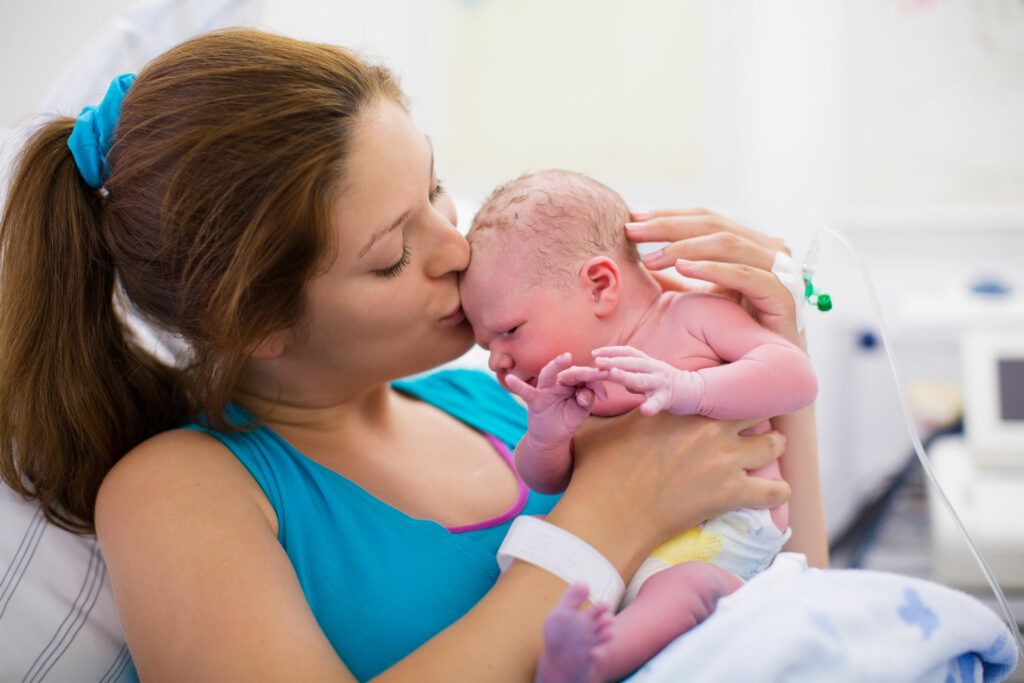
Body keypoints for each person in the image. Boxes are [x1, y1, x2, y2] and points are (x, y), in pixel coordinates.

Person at [0, 28, 820, 682]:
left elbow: (787, 608)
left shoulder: (514, 405)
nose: (457, 250)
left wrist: (771, 352)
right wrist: (606, 520)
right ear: (259, 321)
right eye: (393, 254)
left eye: (432, 188)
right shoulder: (177, 493)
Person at [459, 170, 821, 682]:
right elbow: (546, 480)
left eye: (510, 331)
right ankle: (577, 647)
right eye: (486, 347)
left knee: (686, 589)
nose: (498, 361)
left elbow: (796, 377)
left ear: (600, 286)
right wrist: (546, 436)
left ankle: (591, 666)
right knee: (531, 547)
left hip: (723, 546)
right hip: (626, 553)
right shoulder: (570, 386)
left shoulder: (690, 316)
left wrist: (691, 389)